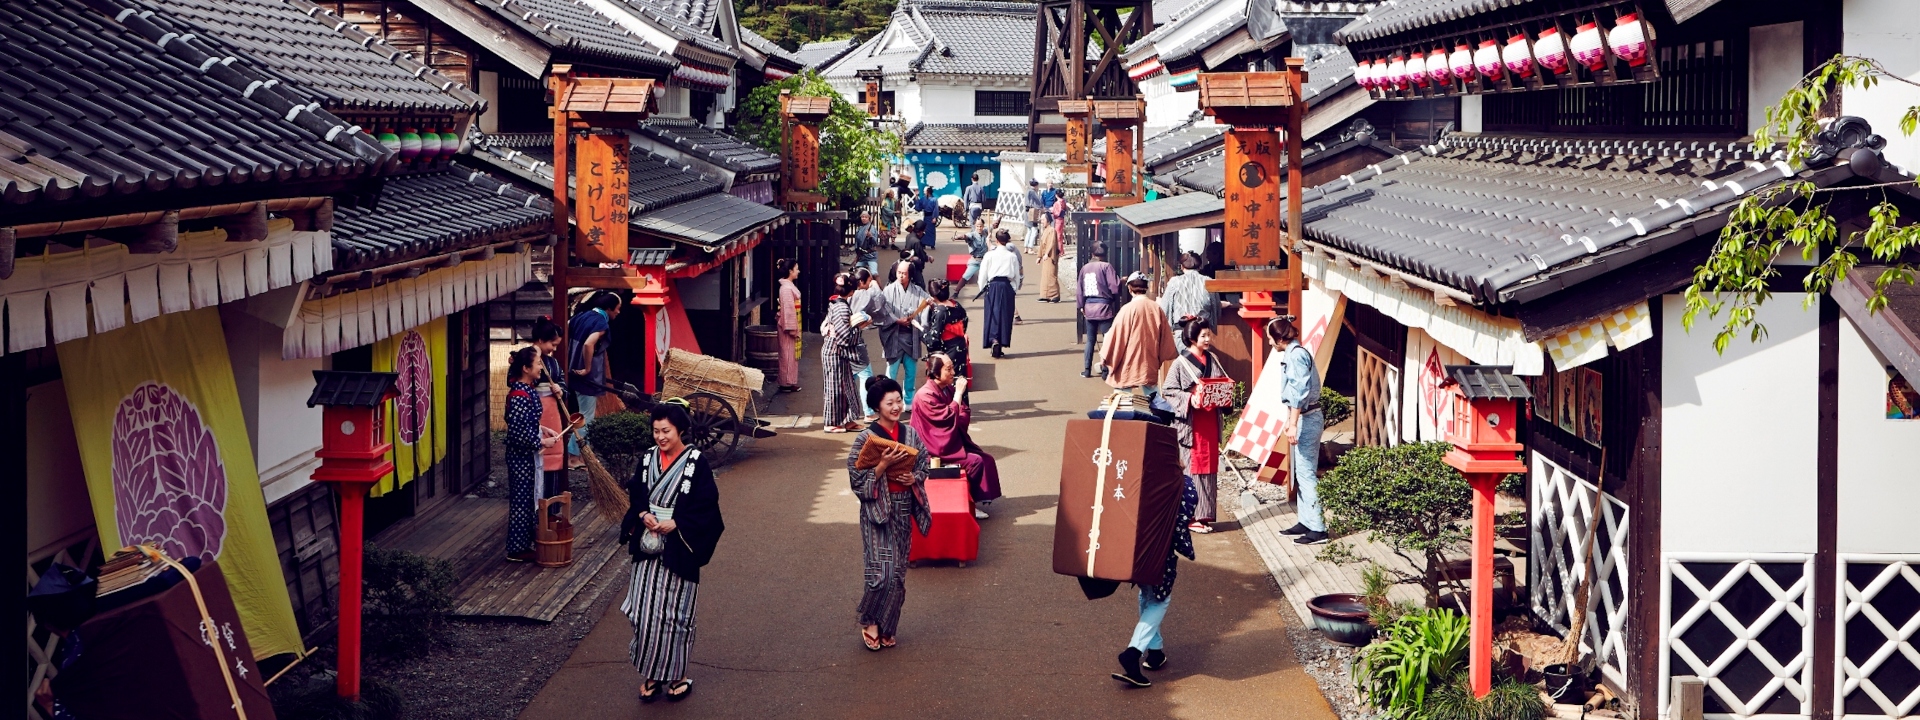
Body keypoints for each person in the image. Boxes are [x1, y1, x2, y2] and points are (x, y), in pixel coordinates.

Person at [620, 401, 725, 703]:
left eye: (666, 431)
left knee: (674, 616)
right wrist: (643, 515)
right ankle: (652, 674)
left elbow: (707, 505)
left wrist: (678, 522)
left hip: (680, 547)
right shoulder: (647, 459)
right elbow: (636, 495)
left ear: (680, 430)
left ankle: (678, 675)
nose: (660, 437)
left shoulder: (695, 461)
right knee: (644, 613)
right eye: (656, 431)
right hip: (648, 546)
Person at [848, 376, 933, 651]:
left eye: (899, 401)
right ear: (877, 407)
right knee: (880, 572)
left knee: (897, 573)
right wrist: (881, 466)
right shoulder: (865, 438)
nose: (896, 407)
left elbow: (924, 462)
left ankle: (888, 626)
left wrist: (914, 478)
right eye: (890, 403)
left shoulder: (910, 434)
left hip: (903, 505)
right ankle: (869, 620)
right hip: (876, 510)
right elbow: (856, 479)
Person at [1112, 477, 1197, 688]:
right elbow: (1180, 522)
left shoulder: (1138, 476)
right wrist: (1186, 548)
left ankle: (1156, 651)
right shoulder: (1180, 483)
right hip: (1159, 553)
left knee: (1148, 594)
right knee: (1160, 600)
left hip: (1134, 549)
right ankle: (1133, 653)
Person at [1158, 319, 1231, 533]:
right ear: (1192, 339)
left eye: (1209, 335)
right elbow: (1168, 391)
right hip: (1192, 423)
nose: (1208, 339)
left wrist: (1223, 394)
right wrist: (1190, 399)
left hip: (1210, 421)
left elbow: (1222, 381)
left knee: (1209, 469)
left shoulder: (1213, 359)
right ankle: (1191, 517)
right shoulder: (1180, 363)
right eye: (1203, 336)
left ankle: (1204, 515)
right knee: (1193, 469)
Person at [910, 354, 1000, 518]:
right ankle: (969, 503)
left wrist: (957, 411)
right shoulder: (925, 395)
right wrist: (958, 395)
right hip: (932, 448)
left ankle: (974, 499)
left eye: (952, 368)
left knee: (986, 459)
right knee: (975, 462)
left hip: (946, 441)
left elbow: (962, 411)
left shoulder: (946, 388)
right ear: (936, 373)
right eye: (948, 369)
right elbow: (947, 418)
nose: (953, 372)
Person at [1270, 317, 1329, 545]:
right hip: (1303, 416)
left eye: (1270, 338)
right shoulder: (1293, 353)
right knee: (1301, 472)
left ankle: (1318, 528)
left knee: (1306, 473)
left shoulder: (1295, 356)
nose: (1269, 342)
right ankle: (1306, 521)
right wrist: (1290, 420)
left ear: (1279, 339)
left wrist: (1293, 423)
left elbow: (1299, 392)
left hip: (1307, 417)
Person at [504, 347, 558, 562]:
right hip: (520, 457)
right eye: (537, 364)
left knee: (530, 499)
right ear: (526, 368)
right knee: (522, 502)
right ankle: (516, 549)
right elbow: (517, 433)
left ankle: (525, 543)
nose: (540, 368)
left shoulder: (526, 390)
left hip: (527, 456)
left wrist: (542, 428)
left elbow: (526, 422)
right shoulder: (519, 396)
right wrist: (542, 442)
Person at [1101, 272, 1177, 396]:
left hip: (1128, 359)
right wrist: (1160, 356)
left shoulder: (1127, 309)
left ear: (1129, 288)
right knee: (1152, 394)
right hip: (1149, 357)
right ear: (1146, 287)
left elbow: (1116, 336)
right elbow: (1166, 337)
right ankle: (1159, 408)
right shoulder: (1156, 308)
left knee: (1122, 394)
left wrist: (1105, 356)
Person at [567, 291, 620, 463]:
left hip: (572, 369)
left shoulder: (581, 316)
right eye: (617, 308)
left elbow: (567, 329)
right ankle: (574, 456)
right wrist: (587, 368)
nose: (618, 312)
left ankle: (578, 454)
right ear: (608, 308)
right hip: (586, 376)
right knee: (586, 417)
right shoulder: (600, 322)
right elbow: (589, 343)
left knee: (583, 414)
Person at [880, 261, 933, 410]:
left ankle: (908, 400)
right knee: (891, 372)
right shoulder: (888, 290)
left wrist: (929, 304)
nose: (901, 276)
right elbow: (884, 310)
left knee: (911, 373)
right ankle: (888, 400)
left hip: (911, 336)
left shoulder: (917, 290)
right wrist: (896, 320)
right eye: (899, 273)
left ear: (910, 275)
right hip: (894, 337)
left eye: (904, 273)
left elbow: (927, 303)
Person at [820, 273, 865, 433]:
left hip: (836, 350)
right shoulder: (841, 307)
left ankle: (847, 420)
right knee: (835, 388)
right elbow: (845, 337)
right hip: (835, 350)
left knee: (846, 386)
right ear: (851, 291)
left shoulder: (836, 302)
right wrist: (859, 327)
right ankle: (831, 423)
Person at [530, 317, 568, 500]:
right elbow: (514, 380)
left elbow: (562, 381)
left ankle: (551, 504)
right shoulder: (525, 358)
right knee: (535, 452)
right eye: (552, 344)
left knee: (554, 451)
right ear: (540, 340)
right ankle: (535, 505)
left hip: (552, 411)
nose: (554, 349)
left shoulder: (553, 363)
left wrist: (560, 389)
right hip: (532, 410)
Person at [1078, 244, 1121, 378]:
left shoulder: (1085, 268)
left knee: (1090, 340)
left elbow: (1079, 289)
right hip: (1104, 307)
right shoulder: (1106, 266)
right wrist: (1120, 281)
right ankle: (1105, 370)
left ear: (1092, 254)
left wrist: (1081, 306)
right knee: (1107, 339)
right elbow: (1114, 287)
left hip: (1089, 307)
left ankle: (1087, 370)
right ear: (1105, 254)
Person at [848, 267, 885, 421]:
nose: (870, 283)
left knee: (849, 378)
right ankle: (868, 412)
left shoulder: (848, 295)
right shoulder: (863, 294)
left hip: (844, 342)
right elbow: (879, 304)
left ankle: (848, 412)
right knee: (866, 376)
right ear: (862, 282)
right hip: (856, 342)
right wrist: (876, 287)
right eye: (869, 281)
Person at [978, 229, 1022, 358]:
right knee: (1005, 315)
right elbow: (1016, 276)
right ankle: (1001, 342)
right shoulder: (1012, 256)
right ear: (1007, 240)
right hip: (1007, 285)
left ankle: (993, 339)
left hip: (992, 286)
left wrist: (982, 288)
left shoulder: (989, 255)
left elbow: (983, 274)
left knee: (992, 314)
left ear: (996, 240)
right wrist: (1014, 289)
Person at [920, 279, 970, 385]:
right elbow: (965, 322)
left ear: (933, 296)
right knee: (960, 378)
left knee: (948, 381)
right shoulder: (956, 305)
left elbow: (932, 341)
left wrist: (921, 331)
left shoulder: (940, 312)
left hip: (947, 350)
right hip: (960, 346)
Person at [1158, 252, 1217, 336]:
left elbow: (1164, 308)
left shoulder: (1174, 282)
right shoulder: (1209, 281)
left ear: (1182, 267)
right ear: (1199, 267)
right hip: (1202, 331)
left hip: (1181, 330)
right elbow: (1216, 308)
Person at [775, 259, 803, 394]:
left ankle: (790, 381)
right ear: (790, 271)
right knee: (787, 354)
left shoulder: (787, 286)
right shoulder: (786, 288)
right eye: (796, 269)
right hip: (788, 325)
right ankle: (786, 382)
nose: (798, 271)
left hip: (792, 321)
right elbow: (788, 310)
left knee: (790, 355)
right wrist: (792, 328)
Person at [1036, 213, 1063, 303]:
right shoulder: (1045, 231)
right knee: (1045, 276)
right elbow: (1041, 245)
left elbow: (1052, 243)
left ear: (1048, 220)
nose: (1042, 222)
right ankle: (1045, 295)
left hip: (1051, 256)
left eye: (1043, 220)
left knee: (1051, 275)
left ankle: (1055, 295)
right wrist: (1039, 256)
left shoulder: (1052, 230)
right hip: (1045, 256)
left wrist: (1047, 253)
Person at [958, 217, 990, 293]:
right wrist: (961, 236)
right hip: (975, 260)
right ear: (975, 226)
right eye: (977, 226)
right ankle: (956, 291)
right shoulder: (972, 235)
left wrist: (999, 218)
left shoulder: (986, 231)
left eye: (981, 226)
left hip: (985, 260)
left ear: (983, 226)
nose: (979, 228)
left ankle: (990, 292)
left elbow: (994, 225)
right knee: (966, 276)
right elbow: (966, 236)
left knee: (991, 276)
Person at [852, 211, 881, 276]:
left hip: (871, 256)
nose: (864, 218)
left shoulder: (872, 229)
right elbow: (857, 244)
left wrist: (871, 236)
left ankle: (878, 283)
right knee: (856, 272)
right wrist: (857, 256)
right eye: (862, 217)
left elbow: (875, 243)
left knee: (874, 273)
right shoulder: (859, 229)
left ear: (869, 218)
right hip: (862, 256)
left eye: (866, 217)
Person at [1023, 179, 1045, 251]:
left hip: (1027, 212)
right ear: (1036, 185)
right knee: (1034, 230)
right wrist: (1042, 208)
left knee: (1029, 231)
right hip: (1033, 212)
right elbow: (1038, 203)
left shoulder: (1028, 191)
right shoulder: (1033, 192)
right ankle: (1030, 248)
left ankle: (1026, 247)